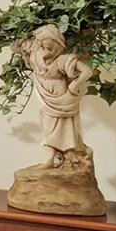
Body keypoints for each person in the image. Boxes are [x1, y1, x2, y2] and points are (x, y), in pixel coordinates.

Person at [20, 24, 92, 166]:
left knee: (64, 124)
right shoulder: (36, 53)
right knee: (48, 126)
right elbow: (18, 46)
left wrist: (75, 84)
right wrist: (29, 35)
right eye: (42, 44)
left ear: (56, 43)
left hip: (60, 94)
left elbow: (87, 71)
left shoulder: (62, 60)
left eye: (49, 46)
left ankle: (65, 155)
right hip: (45, 93)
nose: (45, 48)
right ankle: (52, 158)